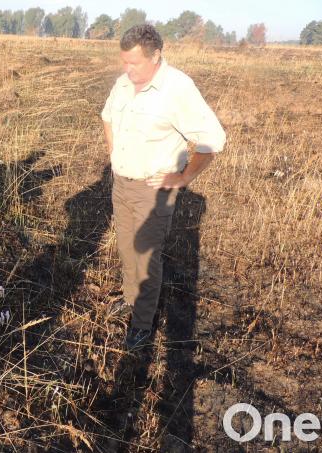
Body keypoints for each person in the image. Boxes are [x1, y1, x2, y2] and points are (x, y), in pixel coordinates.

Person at [101, 25, 226, 350]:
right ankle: (131, 299)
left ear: (155, 56)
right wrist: (114, 154)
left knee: (146, 257)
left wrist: (183, 178)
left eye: (134, 63)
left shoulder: (177, 88)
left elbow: (213, 139)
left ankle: (142, 324)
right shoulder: (123, 84)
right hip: (121, 184)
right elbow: (107, 116)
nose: (127, 69)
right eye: (124, 62)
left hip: (152, 191)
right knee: (126, 248)